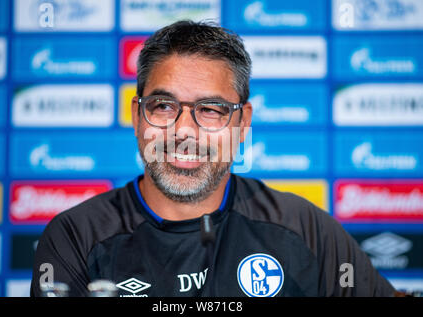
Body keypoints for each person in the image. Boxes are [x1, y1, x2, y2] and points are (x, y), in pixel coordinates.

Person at [31, 20, 396, 297]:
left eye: (211, 109)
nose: (184, 131)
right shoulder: (76, 237)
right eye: (163, 106)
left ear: (242, 122)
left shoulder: (304, 230)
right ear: (136, 117)